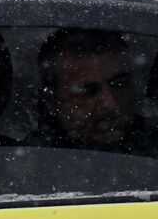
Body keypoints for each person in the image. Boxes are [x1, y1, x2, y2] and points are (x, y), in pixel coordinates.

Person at [26, 27, 158, 155]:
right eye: (88, 91)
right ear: (51, 101)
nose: (110, 103)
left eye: (119, 84)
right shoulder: (33, 159)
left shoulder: (153, 143)